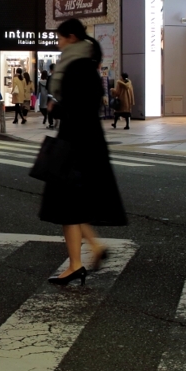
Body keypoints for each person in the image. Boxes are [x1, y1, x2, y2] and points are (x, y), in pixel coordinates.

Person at [40, 19, 127, 286]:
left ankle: (78, 263)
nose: (58, 43)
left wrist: (58, 109)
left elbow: (80, 109)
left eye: (61, 38)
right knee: (70, 205)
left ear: (72, 37)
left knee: (66, 206)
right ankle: (90, 251)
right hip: (83, 143)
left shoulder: (77, 67)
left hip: (77, 144)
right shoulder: (85, 64)